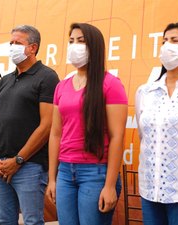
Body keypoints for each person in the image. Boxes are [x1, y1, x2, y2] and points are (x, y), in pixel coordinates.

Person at [46, 23, 128, 225]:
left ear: (95, 46)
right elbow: (56, 133)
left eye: (81, 41)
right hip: (65, 172)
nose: (75, 46)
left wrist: (109, 185)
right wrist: (52, 178)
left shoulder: (111, 84)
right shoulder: (61, 86)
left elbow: (118, 136)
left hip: (96, 172)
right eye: (72, 41)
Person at [0, 25, 59, 225]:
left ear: (33, 48)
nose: (12, 47)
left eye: (17, 43)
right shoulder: (4, 81)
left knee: (32, 221)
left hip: (29, 166)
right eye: (11, 43)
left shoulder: (47, 76)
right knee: (4, 220)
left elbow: (47, 125)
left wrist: (18, 160)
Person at [135, 22, 178, 225]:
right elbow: (143, 135)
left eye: (175, 40)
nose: (167, 45)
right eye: (164, 41)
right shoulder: (146, 92)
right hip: (150, 191)